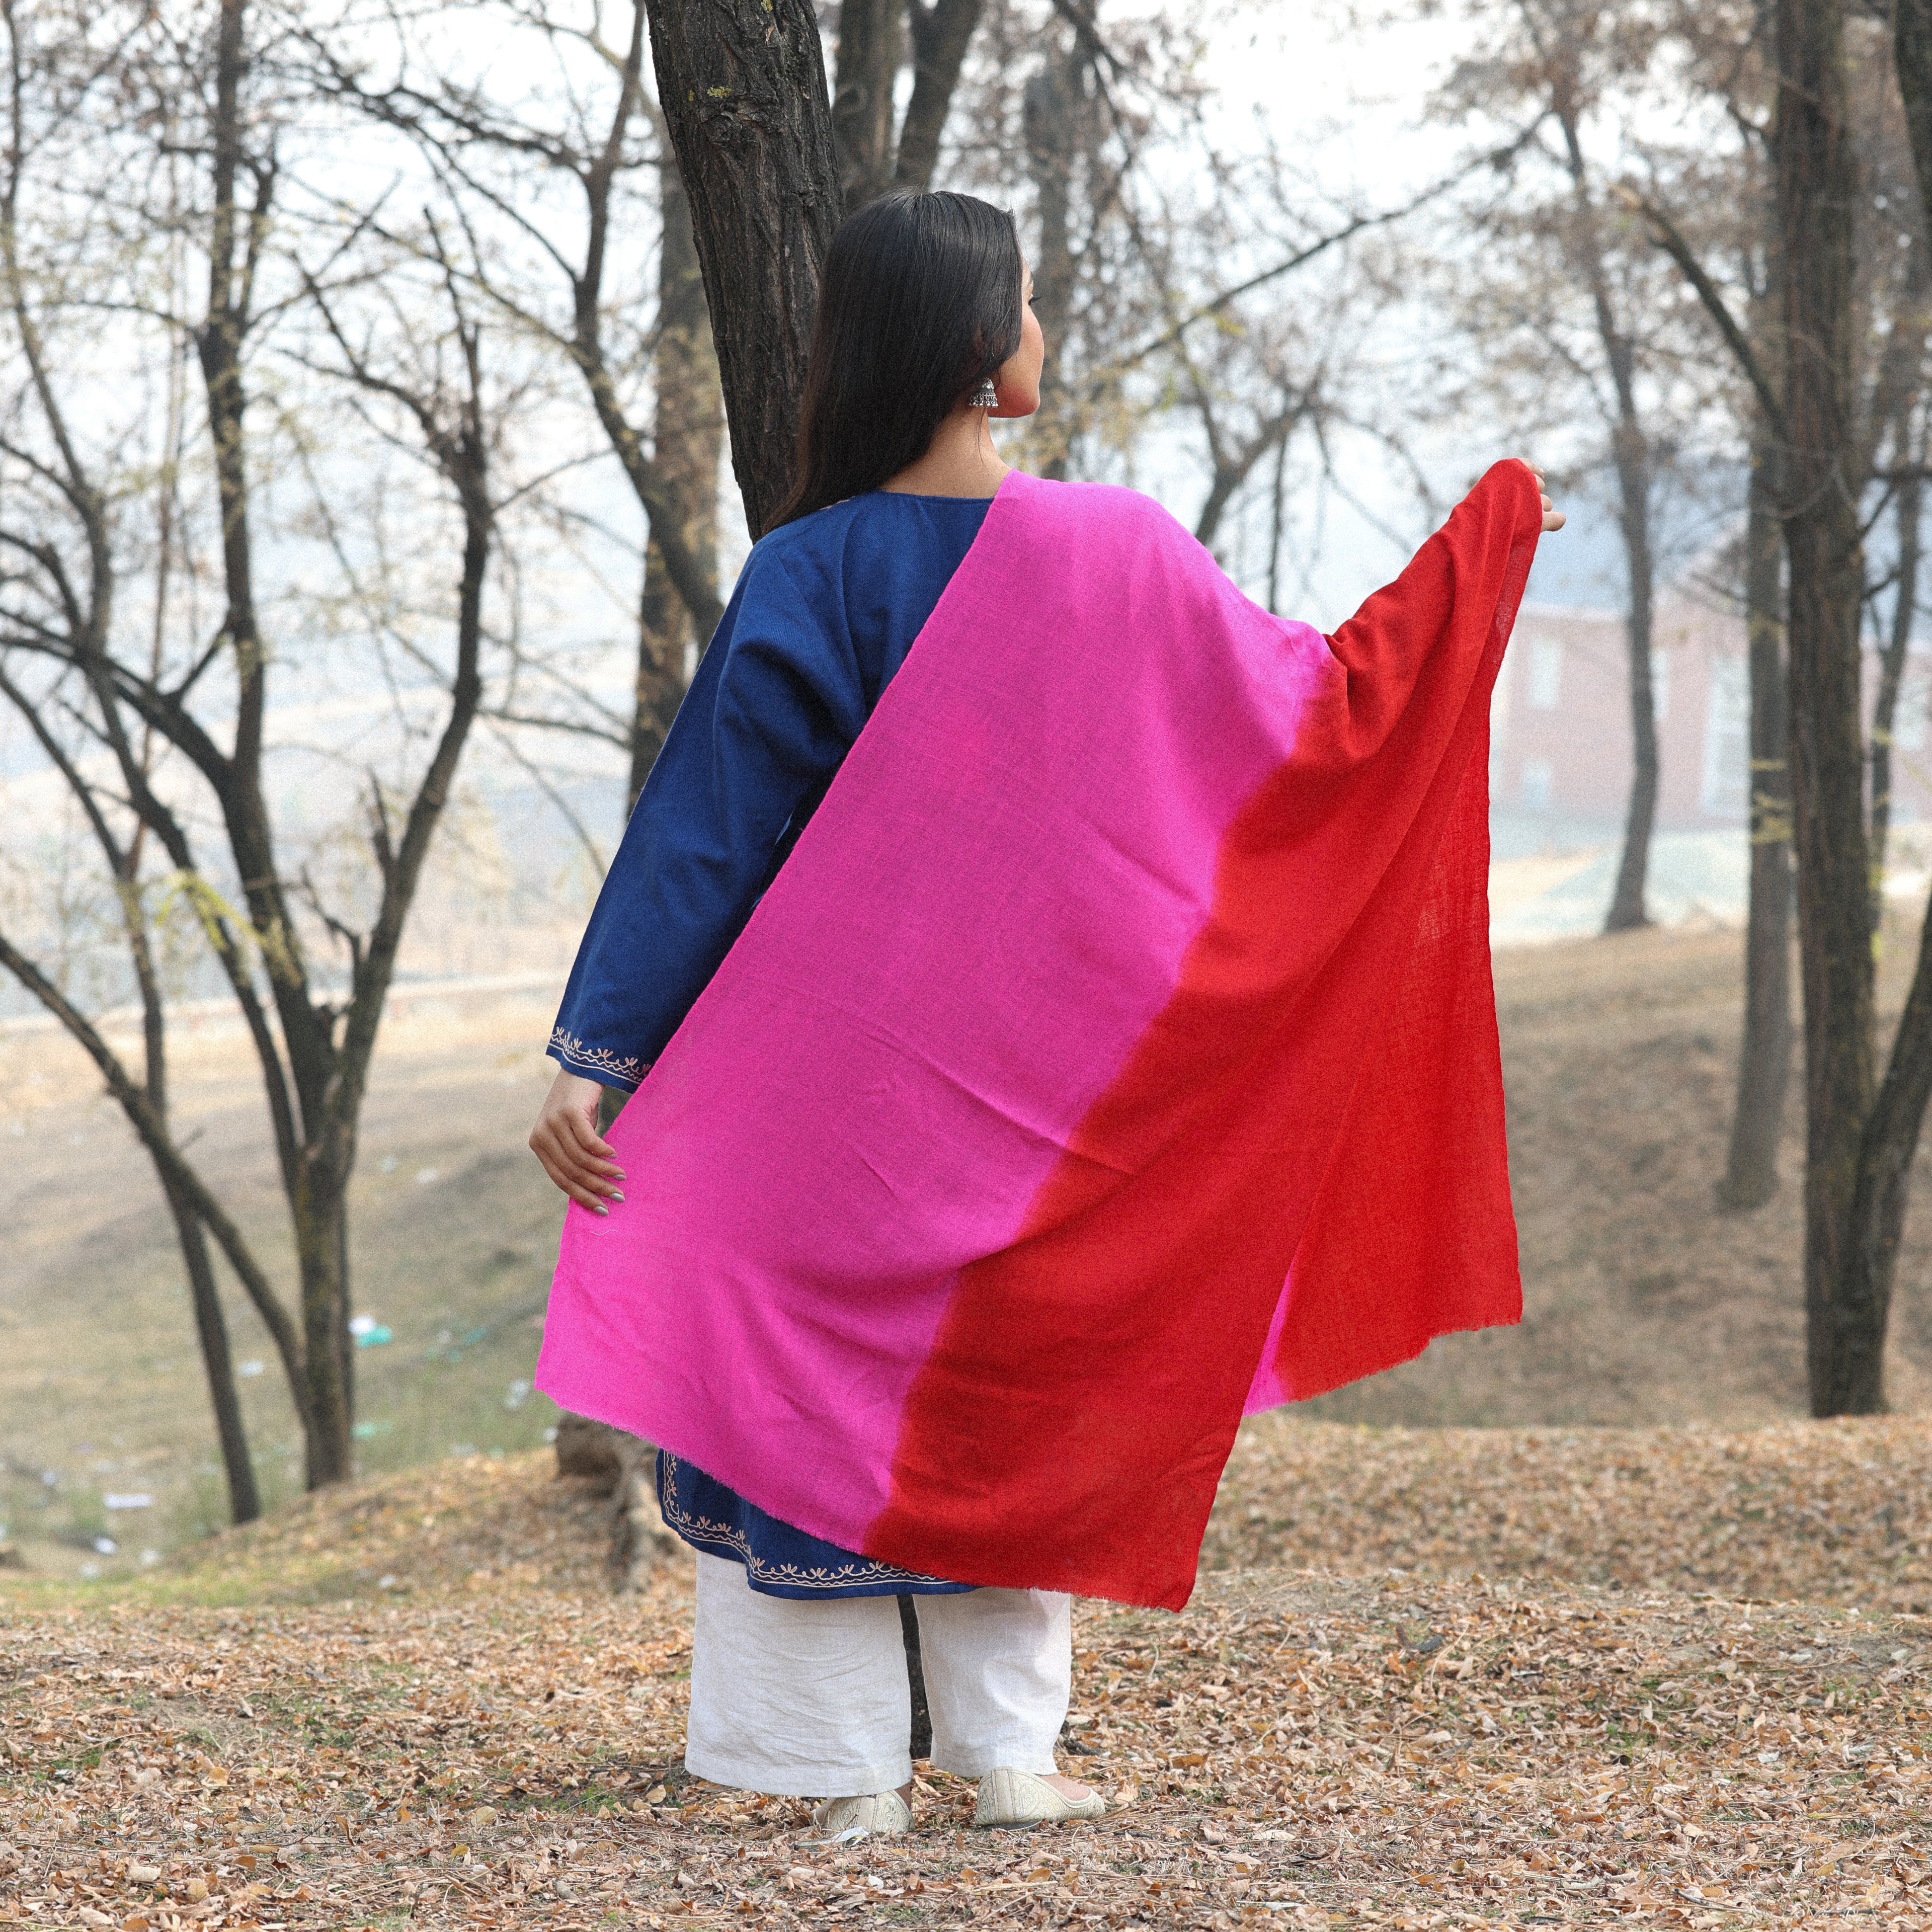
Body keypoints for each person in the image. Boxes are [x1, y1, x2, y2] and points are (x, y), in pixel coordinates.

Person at [530, 189, 1564, 1839]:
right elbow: (1319, 722)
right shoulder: (1122, 555)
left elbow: (708, 836)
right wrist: (1484, 547)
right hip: (1039, 1104)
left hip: (825, 1111)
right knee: (1013, 1394)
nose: (1039, 330)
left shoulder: (811, 571)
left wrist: (600, 1058)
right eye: (1024, 302)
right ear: (981, 354)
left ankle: (839, 1773)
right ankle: (1008, 1756)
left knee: (801, 1394)